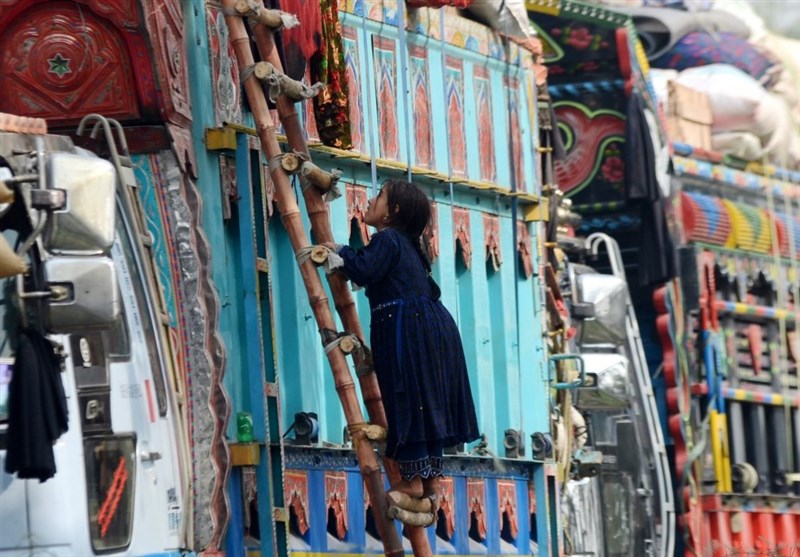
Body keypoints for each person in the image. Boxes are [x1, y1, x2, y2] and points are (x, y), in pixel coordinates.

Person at [327, 179, 479, 509]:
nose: (369, 201)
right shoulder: (410, 246)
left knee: (406, 396)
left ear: (392, 212)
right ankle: (429, 484)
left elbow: (363, 269)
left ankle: (410, 483)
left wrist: (339, 251)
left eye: (378, 196)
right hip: (433, 328)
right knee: (428, 401)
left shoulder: (388, 239)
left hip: (408, 328)